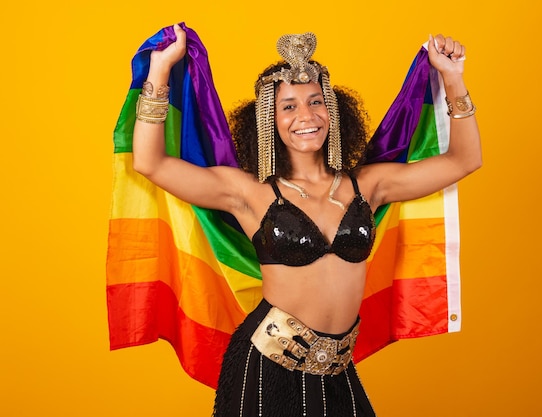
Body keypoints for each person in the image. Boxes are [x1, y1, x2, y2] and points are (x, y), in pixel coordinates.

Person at [132, 24, 481, 417]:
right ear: (269, 120)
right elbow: (150, 162)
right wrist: (160, 70)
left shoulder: (368, 184)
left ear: (333, 110)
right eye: (289, 106)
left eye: (316, 102)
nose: (306, 116)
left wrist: (453, 77)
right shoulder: (250, 193)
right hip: (267, 368)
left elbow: (464, 160)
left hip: (337, 370)